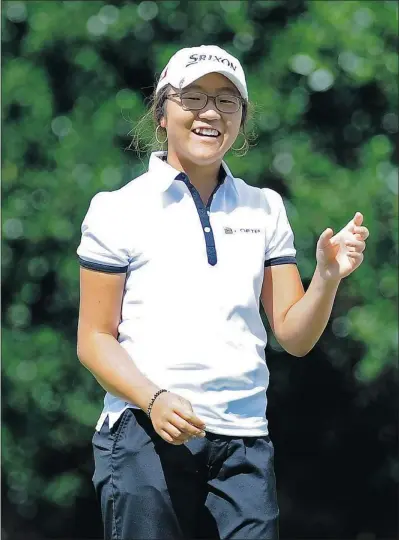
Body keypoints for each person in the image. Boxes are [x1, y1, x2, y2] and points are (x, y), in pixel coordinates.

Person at [77, 45, 369, 540]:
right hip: (144, 433)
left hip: (244, 443)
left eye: (226, 101)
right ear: (163, 113)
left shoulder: (265, 209)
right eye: (193, 97)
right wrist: (153, 399)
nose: (210, 112)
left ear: (241, 119)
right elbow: (94, 340)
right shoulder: (116, 209)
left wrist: (326, 277)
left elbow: (294, 337)